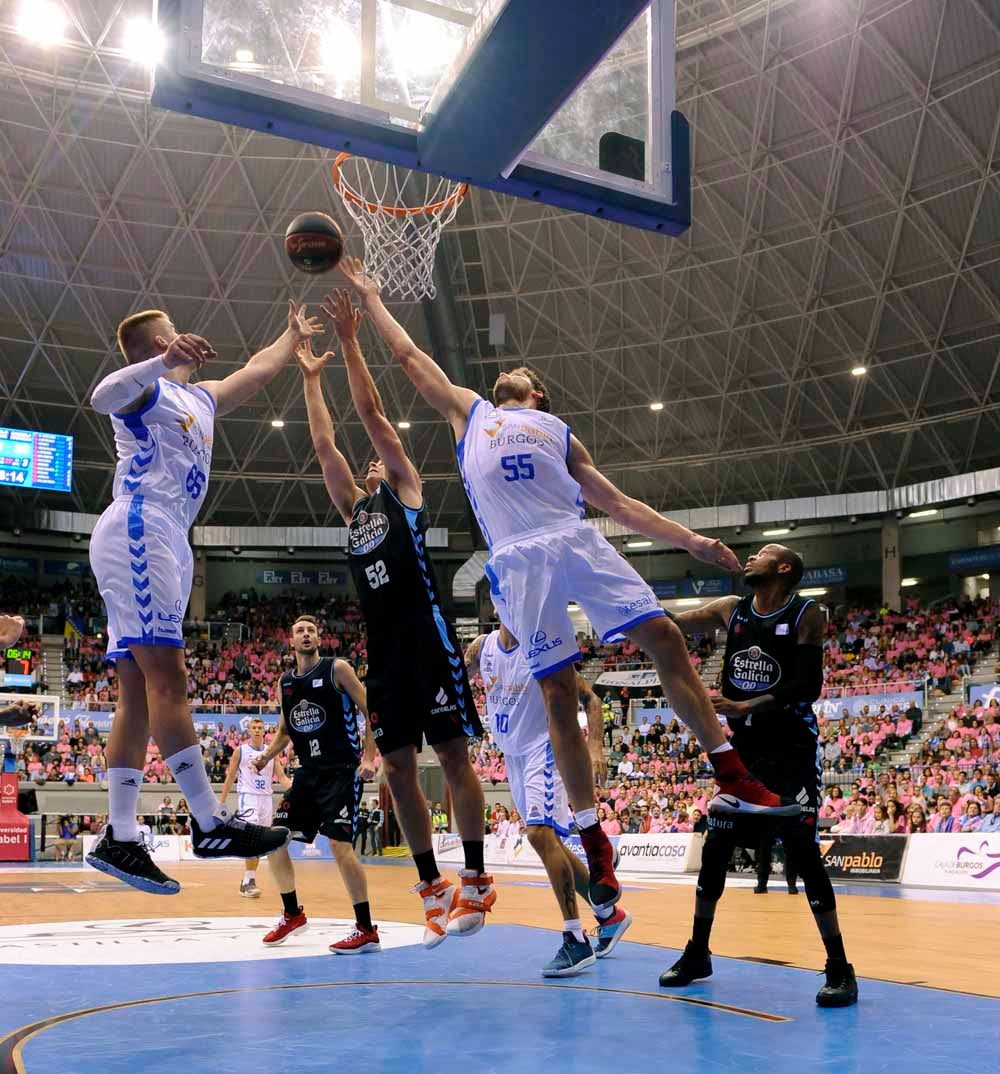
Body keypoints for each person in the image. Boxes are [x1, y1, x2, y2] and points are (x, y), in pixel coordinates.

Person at [338, 258, 800, 913]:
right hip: (519, 558)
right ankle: (593, 837)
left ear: (537, 395)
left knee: (665, 636)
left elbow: (619, 504)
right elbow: (410, 356)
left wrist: (690, 542)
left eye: (519, 373)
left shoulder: (558, 435)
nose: (506, 371)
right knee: (558, 695)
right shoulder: (470, 414)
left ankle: (730, 768)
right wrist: (374, 299)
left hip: (576, 537)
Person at [84, 303, 321, 892]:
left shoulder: (202, 398)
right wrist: (161, 361)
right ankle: (210, 822)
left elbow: (258, 373)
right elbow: (101, 396)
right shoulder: (143, 394)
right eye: (167, 338)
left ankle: (119, 835)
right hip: (142, 526)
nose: (180, 340)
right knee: (170, 681)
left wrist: (289, 337)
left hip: (163, 533)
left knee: (137, 693)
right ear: (155, 347)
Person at [296, 291, 490, 948]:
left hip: (428, 643)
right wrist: (310, 378)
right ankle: (432, 886)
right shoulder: (355, 518)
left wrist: (350, 343)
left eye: (377, 458)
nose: (372, 461)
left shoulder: (407, 493)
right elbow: (325, 444)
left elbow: (373, 413)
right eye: (368, 463)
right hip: (384, 657)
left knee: (454, 756)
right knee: (397, 771)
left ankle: (478, 877)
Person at [658, 545, 858, 1008]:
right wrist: (625, 598)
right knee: (716, 848)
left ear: (784, 568)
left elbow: (809, 686)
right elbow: (673, 620)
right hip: (743, 751)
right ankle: (697, 952)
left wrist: (748, 704)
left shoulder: (807, 614)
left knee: (805, 853)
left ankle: (839, 967)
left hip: (791, 750)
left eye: (763, 553)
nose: (751, 557)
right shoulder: (731, 610)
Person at [466, 623, 632, 977]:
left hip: (543, 746)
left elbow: (590, 699)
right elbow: (452, 680)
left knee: (540, 835)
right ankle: (609, 917)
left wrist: (595, 743)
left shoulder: (540, 645)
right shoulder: (482, 647)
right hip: (512, 755)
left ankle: (575, 939)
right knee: (549, 841)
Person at [252, 615, 380, 953]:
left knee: (340, 846)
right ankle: (292, 913)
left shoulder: (337, 669)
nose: (306, 635)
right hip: (307, 774)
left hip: (342, 771)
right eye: (299, 631)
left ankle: (366, 929)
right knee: (274, 840)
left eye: (311, 630)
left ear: (319, 638)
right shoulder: (286, 683)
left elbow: (372, 710)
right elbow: (284, 732)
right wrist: (266, 756)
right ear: (291, 641)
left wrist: (369, 758)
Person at [218, 717, 292, 898]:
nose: (257, 730)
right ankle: (249, 881)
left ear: (264, 730)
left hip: (266, 799)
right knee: (252, 838)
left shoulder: (271, 752)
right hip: (248, 798)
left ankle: (247, 882)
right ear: (249, 731)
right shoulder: (240, 751)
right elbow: (230, 777)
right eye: (254, 727)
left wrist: (298, 790)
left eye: (260, 727)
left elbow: (282, 778)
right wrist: (221, 802)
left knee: (261, 842)